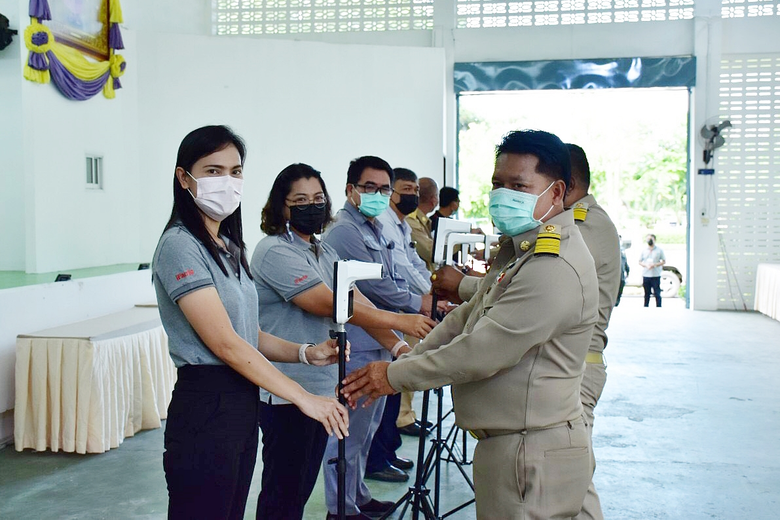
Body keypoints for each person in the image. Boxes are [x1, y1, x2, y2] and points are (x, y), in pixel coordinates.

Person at [341, 130, 599, 519]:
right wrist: (411, 355)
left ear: (556, 192)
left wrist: (394, 376)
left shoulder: (552, 265)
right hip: (514, 445)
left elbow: (482, 351)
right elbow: (467, 315)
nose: (503, 194)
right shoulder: (521, 249)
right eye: (499, 183)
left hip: (531, 451)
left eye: (519, 185)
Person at [151, 126, 349, 520]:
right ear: (183, 177)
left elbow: (248, 333)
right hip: (207, 402)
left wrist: (306, 354)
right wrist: (302, 396)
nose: (227, 181)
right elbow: (225, 344)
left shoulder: (228, 246)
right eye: (213, 171)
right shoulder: (179, 245)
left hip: (241, 402)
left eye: (235, 171)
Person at [250, 163, 435, 519]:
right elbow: (329, 303)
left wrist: (398, 344)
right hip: (287, 388)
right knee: (284, 489)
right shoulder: (275, 250)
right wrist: (402, 320)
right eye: (300, 199)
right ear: (281, 206)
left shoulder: (321, 250)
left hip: (321, 386)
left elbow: (358, 300)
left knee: (301, 485)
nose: (312, 205)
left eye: (318, 197)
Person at [321, 156, 439, 519]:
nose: (377, 194)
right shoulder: (346, 230)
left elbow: (398, 275)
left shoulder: (375, 227)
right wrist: (415, 309)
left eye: (382, 189)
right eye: (368, 187)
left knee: (367, 430)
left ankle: (358, 496)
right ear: (350, 190)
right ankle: (340, 507)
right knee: (346, 433)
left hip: (379, 341)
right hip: (357, 341)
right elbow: (376, 289)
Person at [565, 143, 621, 520]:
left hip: (576, 369)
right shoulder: (577, 221)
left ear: (563, 186)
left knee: (572, 480)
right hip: (571, 364)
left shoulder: (583, 225)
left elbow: (538, 287)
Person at [396, 173, 438, 437]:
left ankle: (406, 415)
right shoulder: (408, 222)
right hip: (407, 301)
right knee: (406, 358)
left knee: (410, 356)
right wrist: (425, 294)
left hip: (415, 298)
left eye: (415, 189)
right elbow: (427, 253)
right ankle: (402, 418)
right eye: (406, 189)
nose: (413, 194)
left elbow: (416, 262)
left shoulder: (404, 223)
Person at [405, 177, 438, 270]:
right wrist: (457, 242)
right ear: (434, 199)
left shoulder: (422, 220)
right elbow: (431, 252)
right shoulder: (411, 220)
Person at [639, 233, 666, 307]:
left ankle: (659, 307)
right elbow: (640, 261)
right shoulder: (644, 250)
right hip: (646, 274)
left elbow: (663, 261)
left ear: (655, 240)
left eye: (651, 239)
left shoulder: (659, 250)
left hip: (655, 274)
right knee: (646, 293)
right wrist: (646, 265)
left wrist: (654, 265)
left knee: (657, 293)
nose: (649, 240)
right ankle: (646, 306)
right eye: (648, 239)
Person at [616, 238, 629, 306]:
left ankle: (617, 303)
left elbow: (625, 263)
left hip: (621, 276)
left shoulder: (622, 252)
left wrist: (627, 272)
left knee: (619, 292)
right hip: (614, 277)